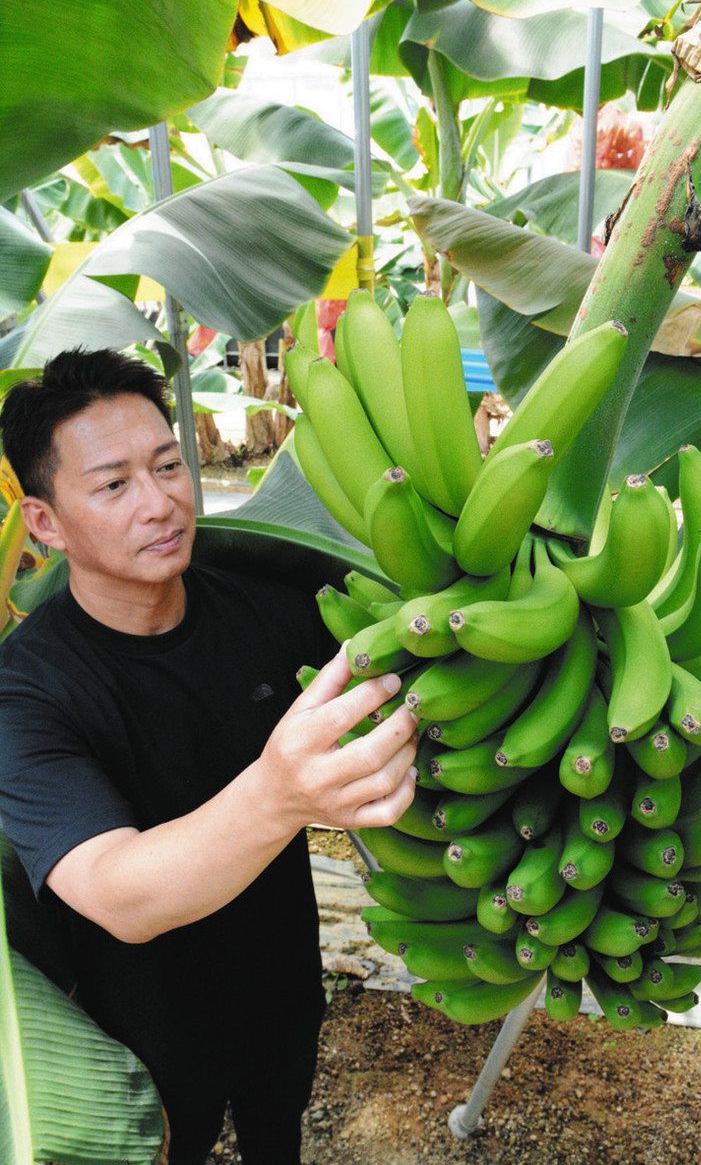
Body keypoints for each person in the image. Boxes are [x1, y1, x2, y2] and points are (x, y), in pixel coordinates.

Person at [0, 348, 419, 1165]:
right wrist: (278, 793)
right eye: (115, 485)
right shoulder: (28, 694)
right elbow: (119, 893)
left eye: (169, 466)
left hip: (281, 989)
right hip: (138, 1034)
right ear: (45, 523)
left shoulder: (272, 613)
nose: (160, 504)